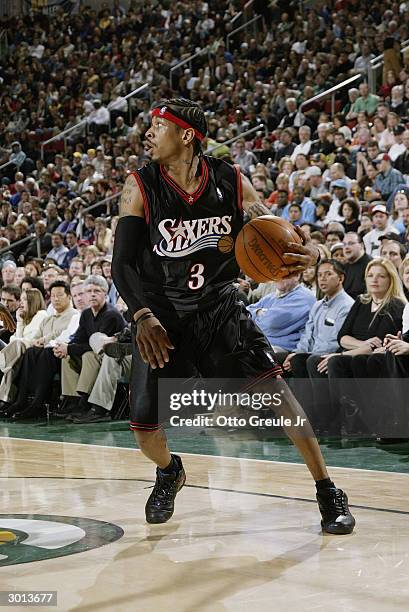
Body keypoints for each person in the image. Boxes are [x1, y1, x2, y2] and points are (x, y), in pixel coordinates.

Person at [111, 97, 355, 534]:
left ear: (186, 135)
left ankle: (327, 491)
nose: (146, 133)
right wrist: (142, 313)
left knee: (280, 397)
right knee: (144, 428)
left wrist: (310, 248)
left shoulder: (231, 181)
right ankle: (170, 471)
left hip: (220, 308)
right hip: (162, 318)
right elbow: (122, 264)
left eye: (156, 127)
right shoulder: (139, 186)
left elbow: (277, 231)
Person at [247, 274, 316, 355]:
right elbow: (245, 311)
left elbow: (269, 324)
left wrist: (254, 318)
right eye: (277, 274)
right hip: (261, 343)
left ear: (296, 276)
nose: (279, 278)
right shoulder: (273, 296)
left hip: (284, 350)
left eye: (284, 275)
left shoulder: (304, 297)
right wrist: (258, 311)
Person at [342, 232, 372, 299]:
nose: (346, 247)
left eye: (351, 243)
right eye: (344, 244)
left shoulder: (371, 265)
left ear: (361, 245)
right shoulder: (343, 267)